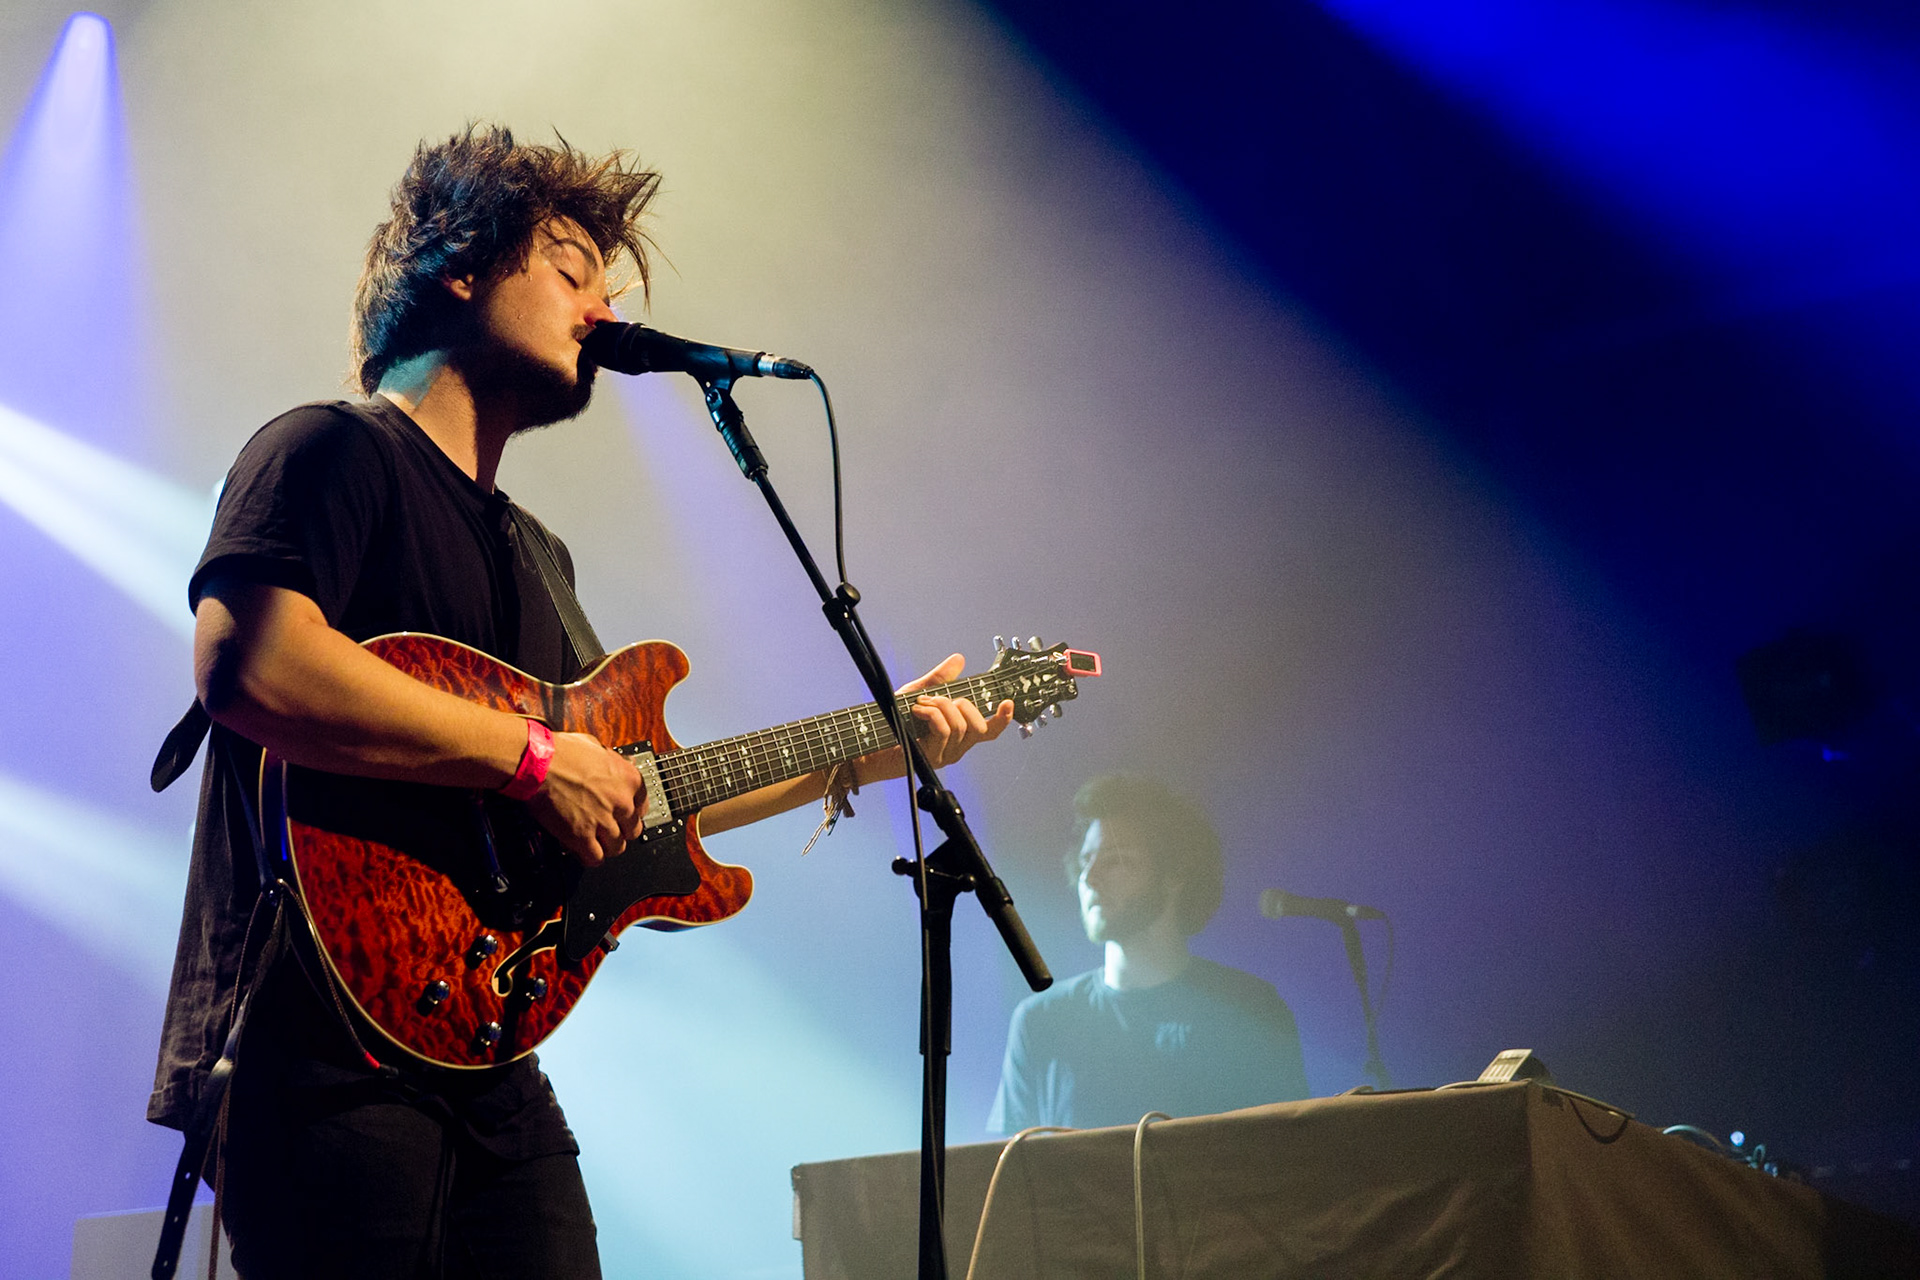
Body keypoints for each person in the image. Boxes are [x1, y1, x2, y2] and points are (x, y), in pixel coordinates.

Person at [147, 125, 1014, 1279]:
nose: (600, 311)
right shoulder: (326, 450)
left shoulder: (539, 557)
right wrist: (531, 759)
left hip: (487, 1048)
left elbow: (635, 794)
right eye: (569, 272)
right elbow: (250, 665)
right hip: (321, 1043)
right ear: (460, 266)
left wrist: (875, 747)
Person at [988, 775, 1309, 1133]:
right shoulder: (1041, 1021)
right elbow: (1010, 1172)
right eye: (1086, 861)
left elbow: (1287, 1159)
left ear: (1174, 875)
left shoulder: (1251, 1009)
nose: (1089, 878)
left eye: (1116, 861)